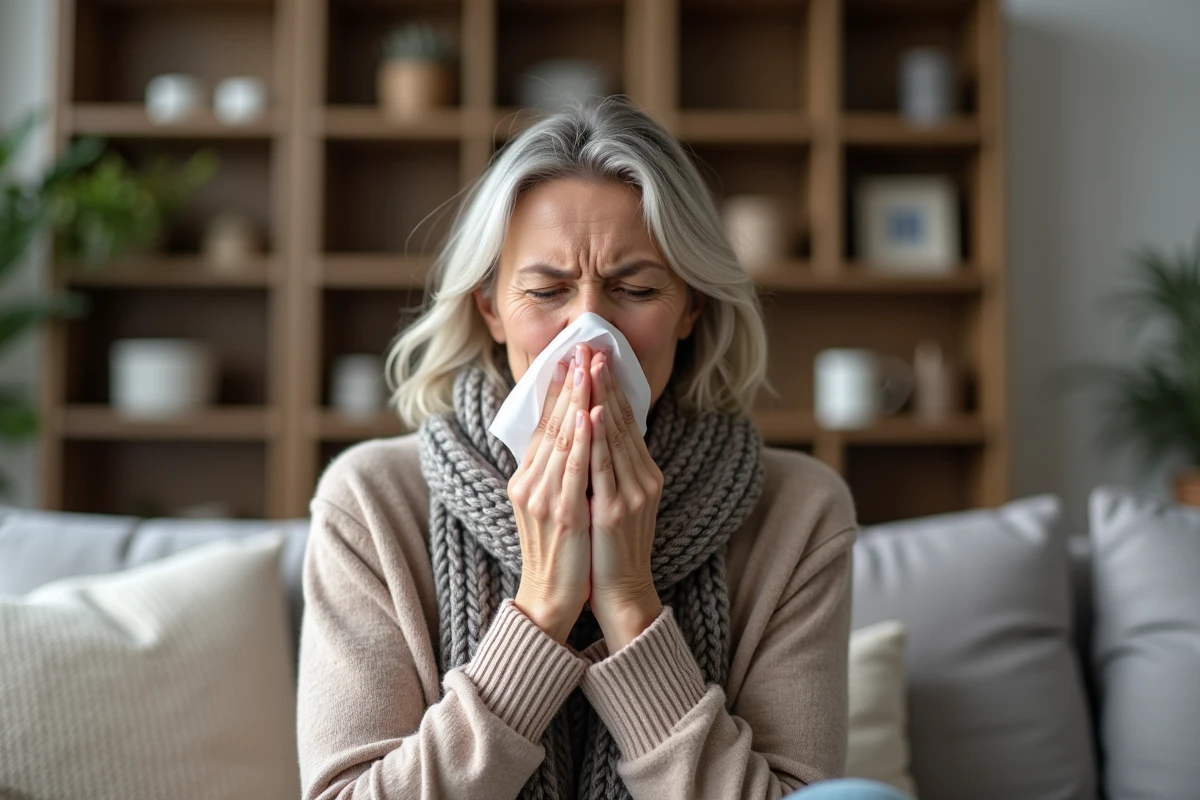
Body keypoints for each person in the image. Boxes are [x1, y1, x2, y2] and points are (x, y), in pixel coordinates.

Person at [296, 96, 909, 800]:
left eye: (635, 288)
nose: (587, 330)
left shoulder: (798, 508)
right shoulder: (370, 500)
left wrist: (628, 600)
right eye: (547, 290)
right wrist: (541, 609)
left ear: (692, 306)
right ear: (490, 308)